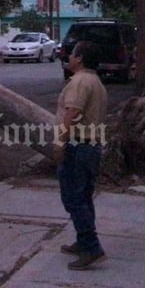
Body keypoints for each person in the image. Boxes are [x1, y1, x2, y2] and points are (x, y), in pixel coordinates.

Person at [54, 40, 108, 270]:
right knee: (84, 198)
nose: (69, 57)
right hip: (90, 146)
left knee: (74, 199)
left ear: (81, 59)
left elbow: (72, 113)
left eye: (73, 54)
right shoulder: (95, 81)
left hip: (78, 146)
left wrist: (59, 142)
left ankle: (92, 247)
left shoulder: (79, 82)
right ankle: (83, 240)